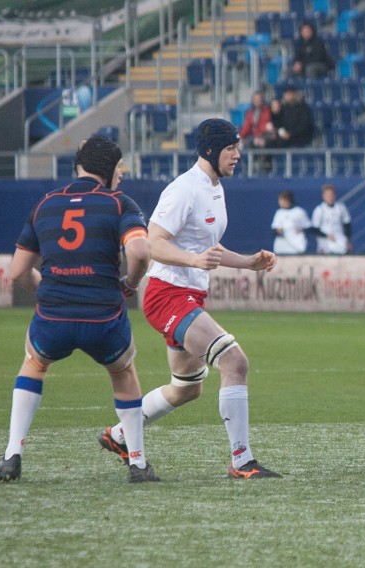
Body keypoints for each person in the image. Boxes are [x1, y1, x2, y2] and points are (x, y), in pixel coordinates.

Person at [98, 119, 281, 479]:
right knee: (234, 362)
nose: (238, 155)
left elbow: (206, 248)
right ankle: (242, 461)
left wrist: (248, 263)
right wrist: (195, 261)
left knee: (187, 388)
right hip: (167, 295)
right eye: (232, 149)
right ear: (212, 151)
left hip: (188, 296)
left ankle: (120, 435)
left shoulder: (214, 186)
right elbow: (153, 242)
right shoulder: (184, 189)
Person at [0, 136, 159, 483]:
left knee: (34, 365)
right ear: (109, 169)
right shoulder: (119, 204)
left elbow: (18, 270)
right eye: (120, 169)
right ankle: (138, 464)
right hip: (104, 315)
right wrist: (130, 283)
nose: (122, 176)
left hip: (54, 316)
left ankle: (12, 455)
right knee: (123, 374)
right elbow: (140, 253)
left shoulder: (46, 204)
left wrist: (48, 291)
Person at [311, 184, 352, 255]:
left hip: (339, 239)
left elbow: (347, 224)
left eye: (332, 195)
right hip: (325, 240)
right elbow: (314, 229)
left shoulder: (341, 207)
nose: (330, 197)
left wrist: (348, 240)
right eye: (328, 195)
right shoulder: (319, 209)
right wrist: (326, 236)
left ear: (335, 195)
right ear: (323, 196)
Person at [272, 190, 312, 255]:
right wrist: (278, 231)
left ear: (287, 200)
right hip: (281, 247)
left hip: (296, 247)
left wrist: (302, 230)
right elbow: (274, 230)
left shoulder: (299, 211)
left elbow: (309, 228)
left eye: (281, 200)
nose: (279, 202)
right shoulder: (279, 212)